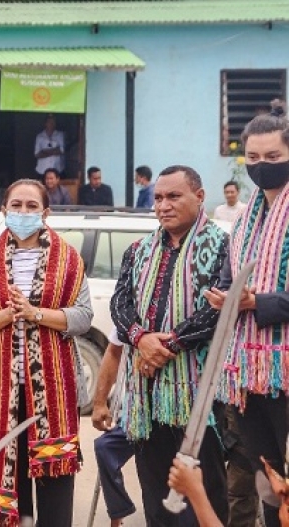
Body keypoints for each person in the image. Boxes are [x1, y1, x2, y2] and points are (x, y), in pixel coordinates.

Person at [0, 178, 92, 526]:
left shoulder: (68, 259)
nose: (23, 212)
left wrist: (36, 314)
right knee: (11, 477)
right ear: (4, 210)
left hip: (54, 392)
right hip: (2, 390)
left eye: (32, 206)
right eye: (16, 205)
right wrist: (6, 315)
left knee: (54, 481)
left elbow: (82, 318)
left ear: (46, 213)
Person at [111, 165, 228, 525]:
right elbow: (119, 304)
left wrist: (168, 346)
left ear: (200, 196)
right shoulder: (138, 251)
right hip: (145, 397)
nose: (163, 205)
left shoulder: (224, 246)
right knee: (156, 496)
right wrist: (141, 339)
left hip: (201, 397)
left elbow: (217, 310)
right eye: (159, 197)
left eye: (173, 196)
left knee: (203, 496)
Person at [206, 103, 289, 527]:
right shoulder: (244, 219)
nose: (261, 167)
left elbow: (262, 296)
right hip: (249, 373)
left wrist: (260, 303)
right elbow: (229, 273)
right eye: (252, 158)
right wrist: (224, 296)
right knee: (266, 474)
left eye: (273, 158)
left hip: (285, 368)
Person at [91, 332, 137, 527]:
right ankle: (117, 515)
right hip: (137, 412)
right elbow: (113, 351)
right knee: (105, 447)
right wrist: (100, 403)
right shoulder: (128, 310)